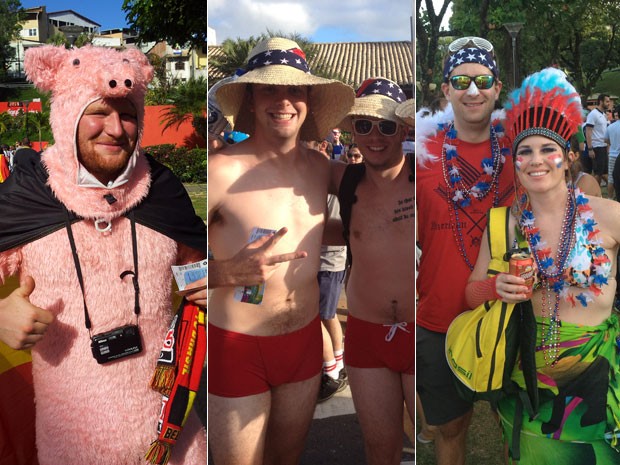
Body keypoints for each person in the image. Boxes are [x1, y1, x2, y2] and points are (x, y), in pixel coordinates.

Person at [0, 45, 207, 464]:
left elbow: (199, 272)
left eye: (128, 114)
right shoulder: (27, 195)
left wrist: (214, 287)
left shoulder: (161, 190)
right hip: (71, 449)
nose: (115, 129)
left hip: (173, 439)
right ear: (68, 113)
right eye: (98, 111)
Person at [207, 37, 354, 465]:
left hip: (303, 345)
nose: (284, 101)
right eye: (270, 89)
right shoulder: (221, 170)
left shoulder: (321, 168)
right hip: (238, 345)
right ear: (251, 98)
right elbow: (167, 269)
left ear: (309, 100)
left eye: (295, 90)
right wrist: (226, 272)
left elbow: (374, 198)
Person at [468, 67, 620, 464]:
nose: (536, 161)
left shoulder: (609, 216)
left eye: (546, 149)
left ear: (568, 156)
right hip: (528, 378)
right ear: (515, 161)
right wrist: (495, 287)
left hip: (599, 381)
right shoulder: (503, 224)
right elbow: (470, 293)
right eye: (525, 152)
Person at [416, 36, 514, 465]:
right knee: (450, 430)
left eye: (482, 80)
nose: (472, 91)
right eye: (460, 80)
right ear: (445, 89)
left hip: (511, 315)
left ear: (497, 87)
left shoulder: (523, 150)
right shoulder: (419, 155)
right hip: (439, 317)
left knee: (515, 426)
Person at [330, 77, 414, 465]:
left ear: (405, 129)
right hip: (365, 335)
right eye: (364, 125)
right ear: (352, 132)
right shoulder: (342, 179)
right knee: (381, 451)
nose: (375, 136)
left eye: (386, 125)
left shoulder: (427, 179)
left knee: (432, 441)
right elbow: (282, 168)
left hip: (422, 333)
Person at [585, 93, 611, 187]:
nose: (609, 103)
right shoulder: (593, 114)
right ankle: (596, 193)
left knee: (604, 172)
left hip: (603, 146)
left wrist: (608, 146)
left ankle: (613, 188)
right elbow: (588, 131)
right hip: (597, 147)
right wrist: (590, 148)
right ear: (601, 101)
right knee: (598, 173)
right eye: (607, 101)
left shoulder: (604, 115)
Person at [605, 106, 620, 200]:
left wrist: (614, 144)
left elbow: (606, 139)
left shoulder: (611, 126)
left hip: (613, 154)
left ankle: (610, 198)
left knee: (611, 178)